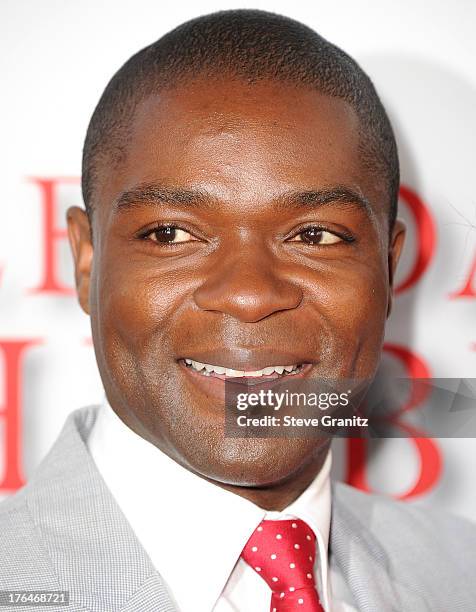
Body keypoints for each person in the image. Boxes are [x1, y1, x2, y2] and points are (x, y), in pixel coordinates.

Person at [1, 8, 475, 612]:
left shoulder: (462, 572)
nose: (250, 295)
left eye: (315, 235)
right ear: (86, 261)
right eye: (170, 234)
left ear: (387, 268)